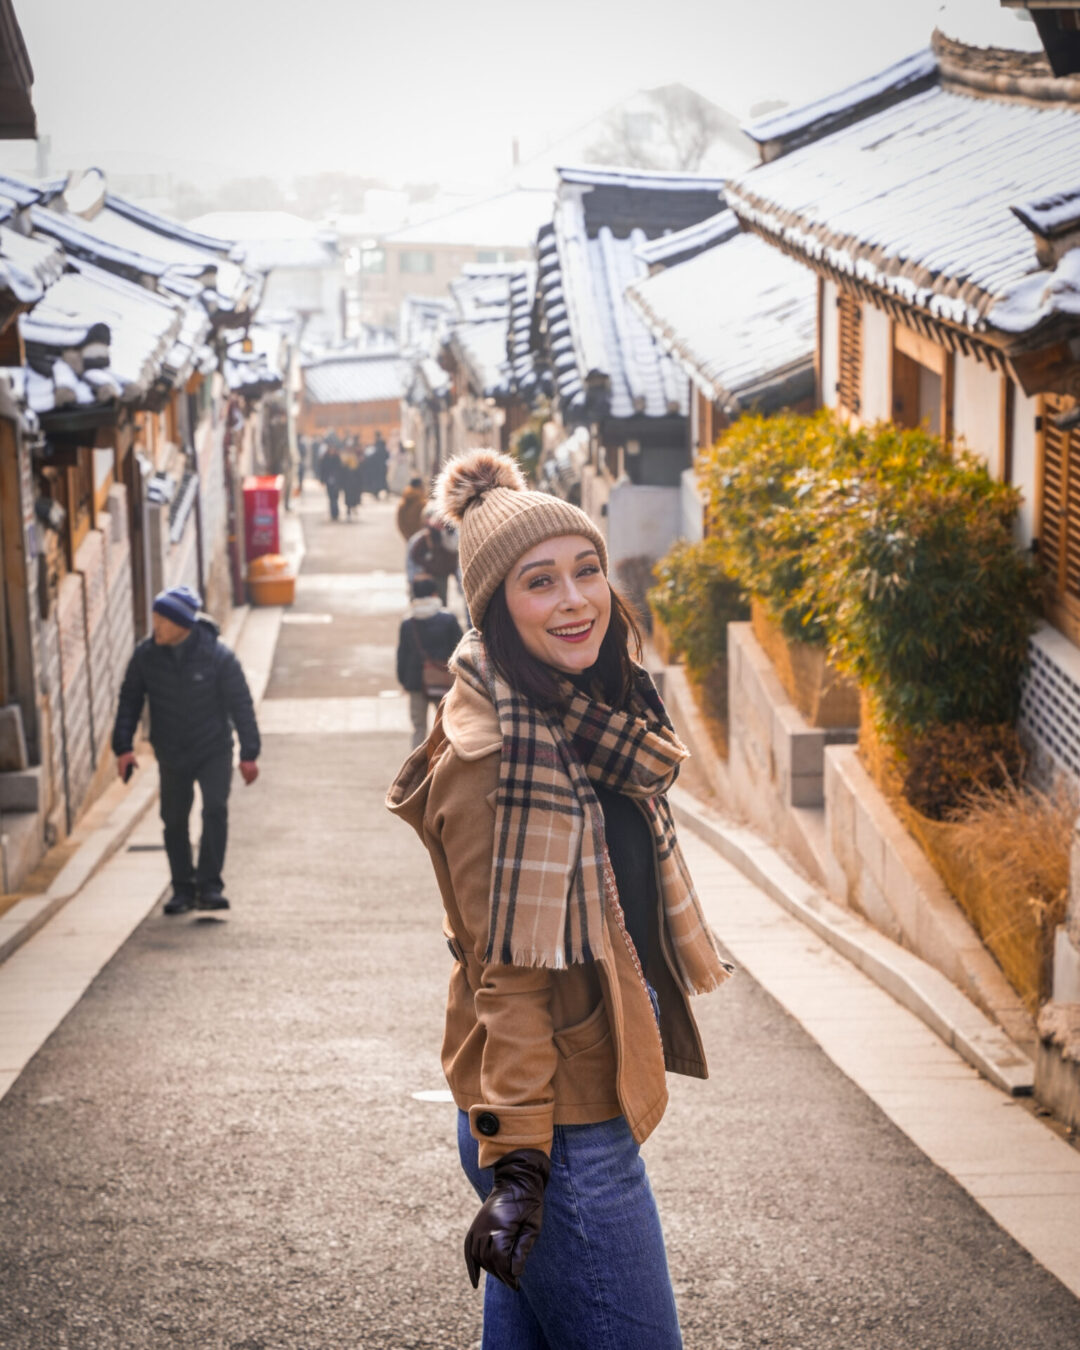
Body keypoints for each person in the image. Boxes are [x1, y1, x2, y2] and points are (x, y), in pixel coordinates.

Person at [387, 450, 731, 1349]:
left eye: (588, 571)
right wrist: (522, 1163)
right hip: (555, 1132)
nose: (576, 599)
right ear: (496, 608)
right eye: (540, 583)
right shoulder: (495, 753)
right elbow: (505, 973)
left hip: (573, 1107)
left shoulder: (578, 712)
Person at [113, 585, 261, 915]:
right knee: (174, 820)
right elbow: (129, 701)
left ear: (181, 624)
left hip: (213, 750)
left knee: (214, 811)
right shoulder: (145, 657)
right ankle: (182, 888)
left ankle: (209, 886)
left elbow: (241, 705)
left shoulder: (217, 656)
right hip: (172, 752)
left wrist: (249, 754)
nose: (156, 628)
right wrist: (123, 747)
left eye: (161, 621)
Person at [396, 574, 463, 750]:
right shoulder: (448, 619)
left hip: (416, 682)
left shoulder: (408, 623)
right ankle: (442, 764)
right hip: (442, 680)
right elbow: (460, 649)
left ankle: (417, 769)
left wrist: (404, 681)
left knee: (419, 728)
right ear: (434, 593)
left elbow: (402, 654)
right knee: (445, 726)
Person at [405, 512, 460, 607]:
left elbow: (453, 555)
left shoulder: (449, 537)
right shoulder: (422, 538)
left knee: (440, 605)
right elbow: (413, 558)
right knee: (423, 604)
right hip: (426, 576)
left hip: (440, 577)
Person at [396, 475, 428, 546]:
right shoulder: (422, 503)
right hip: (421, 538)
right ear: (420, 486)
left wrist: (407, 536)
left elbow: (399, 522)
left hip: (408, 537)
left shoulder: (402, 502)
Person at [319, 441, 343, 521]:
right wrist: (322, 480)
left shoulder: (337, 458)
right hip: (328, 480)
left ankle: (335, 512)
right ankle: (333, 512)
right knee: (331, 497)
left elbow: (340, 469)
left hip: (336, 480)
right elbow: (322, 469)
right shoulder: (325, 458)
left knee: (335, 497)